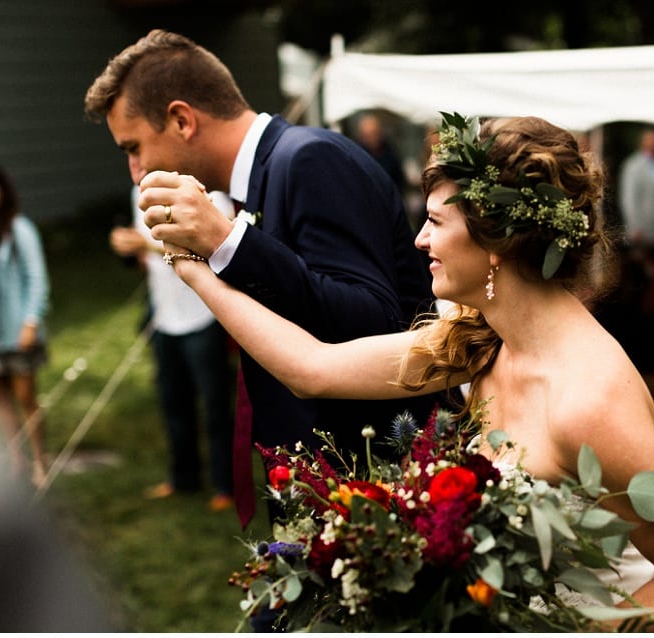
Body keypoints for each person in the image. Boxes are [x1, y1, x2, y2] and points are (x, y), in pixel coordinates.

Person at [144, 114, 654, 627]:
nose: (419, 240)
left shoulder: (587, 398)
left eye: (435, 221)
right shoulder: (480, 338)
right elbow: (313, 368)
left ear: (496, 244)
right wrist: (194, 268)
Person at [83, 29, 437, 529]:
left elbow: (373, 320)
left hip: (368, 487)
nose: (135, 171)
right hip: (315, 488)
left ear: (182, 120)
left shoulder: (310, 158)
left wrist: (230, 243)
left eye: (134, 147)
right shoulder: (262, 178)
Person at [109, 156, 236, 511]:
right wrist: (127, 250)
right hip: (163, 317)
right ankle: (183, 478)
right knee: (172, 401)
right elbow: (148, 261)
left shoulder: (206, 192)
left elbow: (208, 250)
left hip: (202, 315)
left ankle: (225, 485)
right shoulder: (140, 191)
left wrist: (144, 244)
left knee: (214, 405)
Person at [0, 161, 51, 488]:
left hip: (16, 328)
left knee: (26, 397)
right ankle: (17, 461)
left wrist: (31, 320)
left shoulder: (20, 228)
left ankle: (41, 460)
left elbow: (37, 278)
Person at [617, 127, 654, 251]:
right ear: (643, 143)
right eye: (651, 141)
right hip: (642, 231)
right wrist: (634, 227)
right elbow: (629, 199)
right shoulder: (633, 166)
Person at [354, 112, 407, 194]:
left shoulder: (390, 152)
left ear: (380, 133)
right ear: (362, 136)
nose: (372, 139)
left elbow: (399, 179)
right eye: (368, 135)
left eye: (374, 133)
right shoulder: (357, 156)